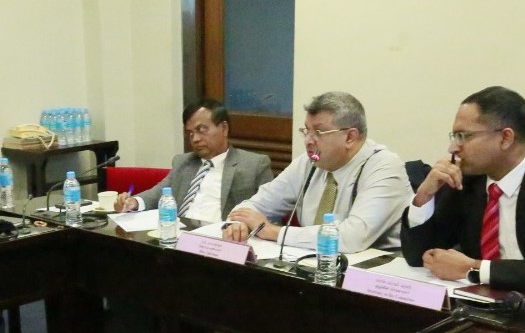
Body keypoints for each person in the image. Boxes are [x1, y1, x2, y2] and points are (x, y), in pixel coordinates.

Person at [401, 86, 525, 299]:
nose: (453, 148)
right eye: (454, 136)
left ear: (505, 138)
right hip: (479, 302)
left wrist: (474, 268)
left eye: (463, 136)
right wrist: (424, 196)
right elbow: (419, 257)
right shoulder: (465, 178)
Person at [223, 91, 412, 253]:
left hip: (373, 273)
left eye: (319, 133)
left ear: (350, 137)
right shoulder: (309, 162)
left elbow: (352, 238)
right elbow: (257, 204)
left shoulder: (384, 167)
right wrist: (239, 224)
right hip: (313, 264)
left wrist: (274, 232)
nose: (308, 141)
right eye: (306, 131)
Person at [114, 99, 274, 221]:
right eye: (190, 133)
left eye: (202, 130)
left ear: (224, 128)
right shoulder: (183, 162)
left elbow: (270, 213)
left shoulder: (254, 165)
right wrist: (134, 202)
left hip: (220, 242)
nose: (195, 139)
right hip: (179, 236)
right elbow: (159, 193)